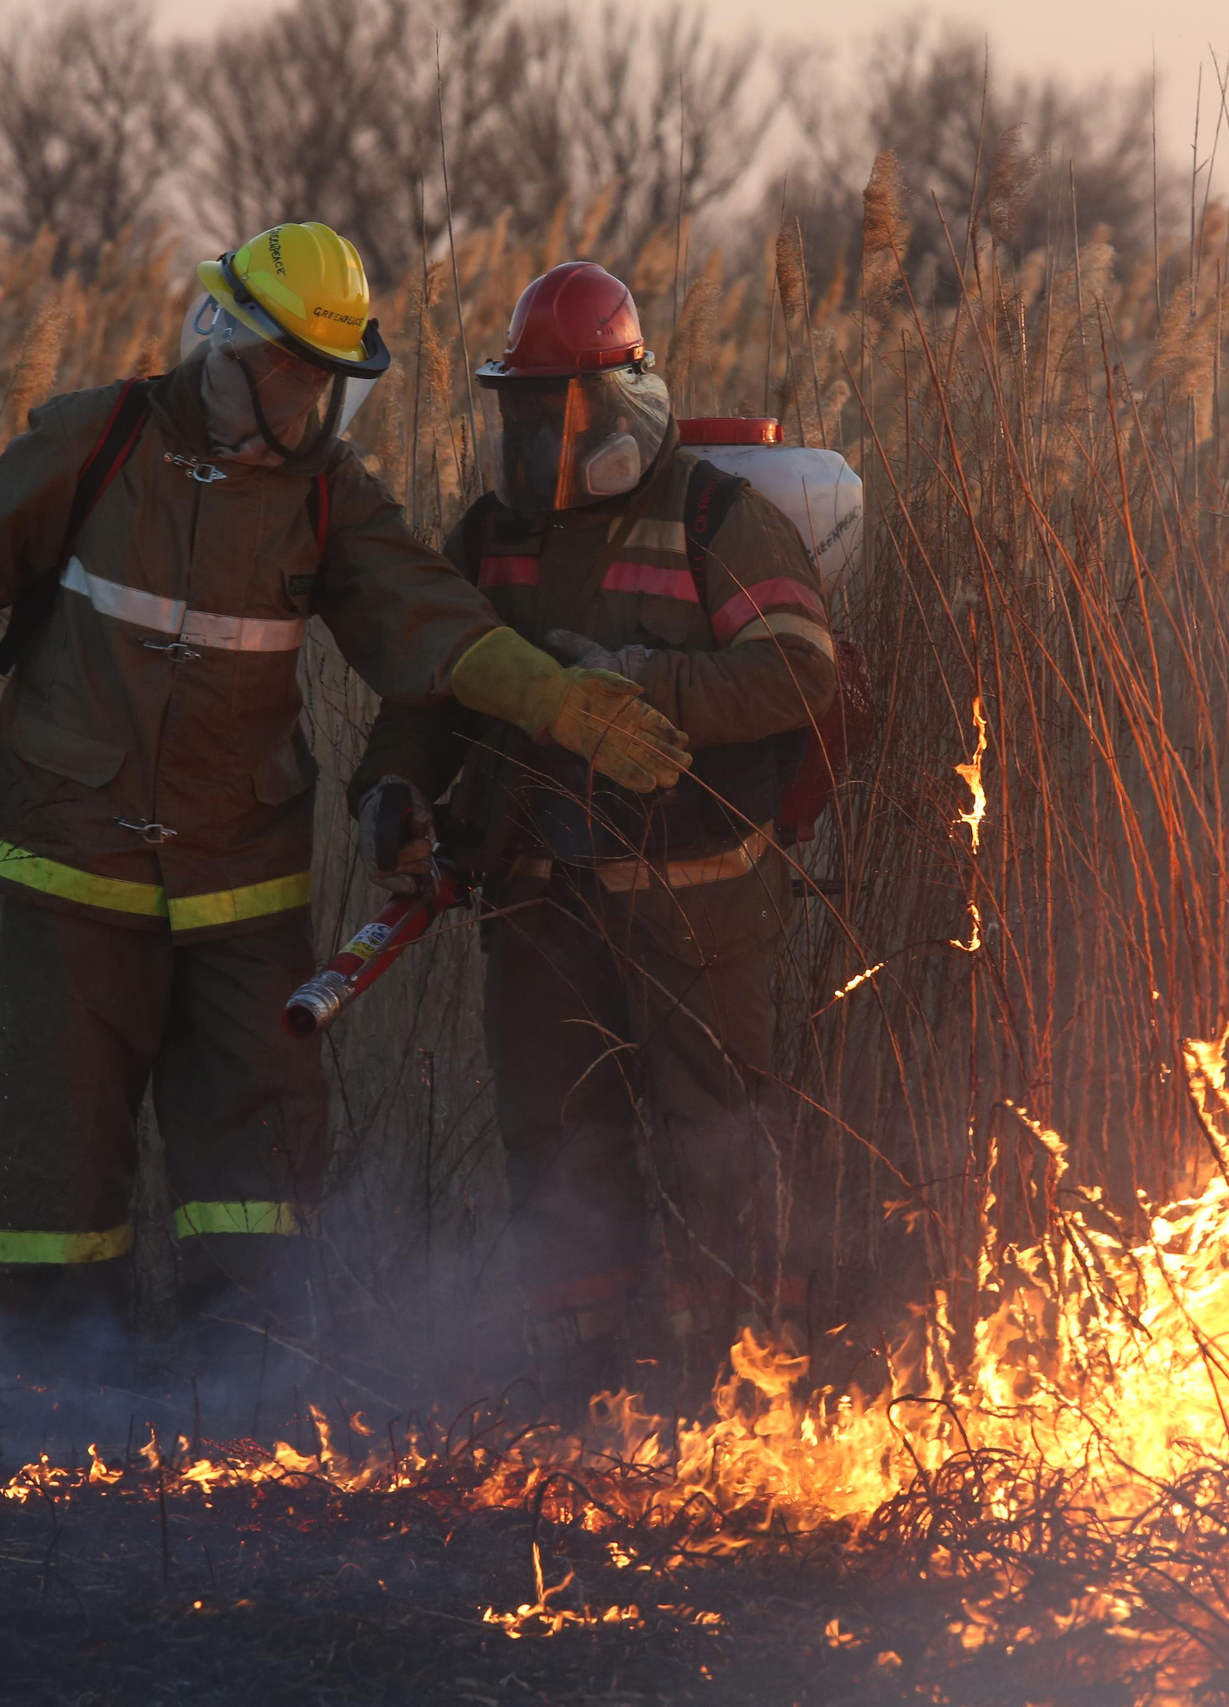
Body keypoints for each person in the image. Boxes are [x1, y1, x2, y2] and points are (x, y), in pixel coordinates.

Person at [0, 224, 690, 1374]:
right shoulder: (94, 440)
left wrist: (556, 701)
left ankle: (236, 1389)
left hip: (238, 882)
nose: (309, 399)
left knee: (256, 1156)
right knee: (54, 1142)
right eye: (292, 370)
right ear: (228, 343)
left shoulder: (328, 495)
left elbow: (429, 621)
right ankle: (58, 1392)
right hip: (69, 857)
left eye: (326, 380)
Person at [346, 261, 838, 1411]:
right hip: (535, 899)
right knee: (558, 1146)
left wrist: (637, 683)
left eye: (554, 410)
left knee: (717, 1143)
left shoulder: (714, 517)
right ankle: (585, 1398)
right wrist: (392, 792)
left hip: (696, 900)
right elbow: (432, 689)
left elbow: (798, 673)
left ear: (621, 405)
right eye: (519, 411)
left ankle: (740, 1403)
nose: (535, 437)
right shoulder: (491, 535)